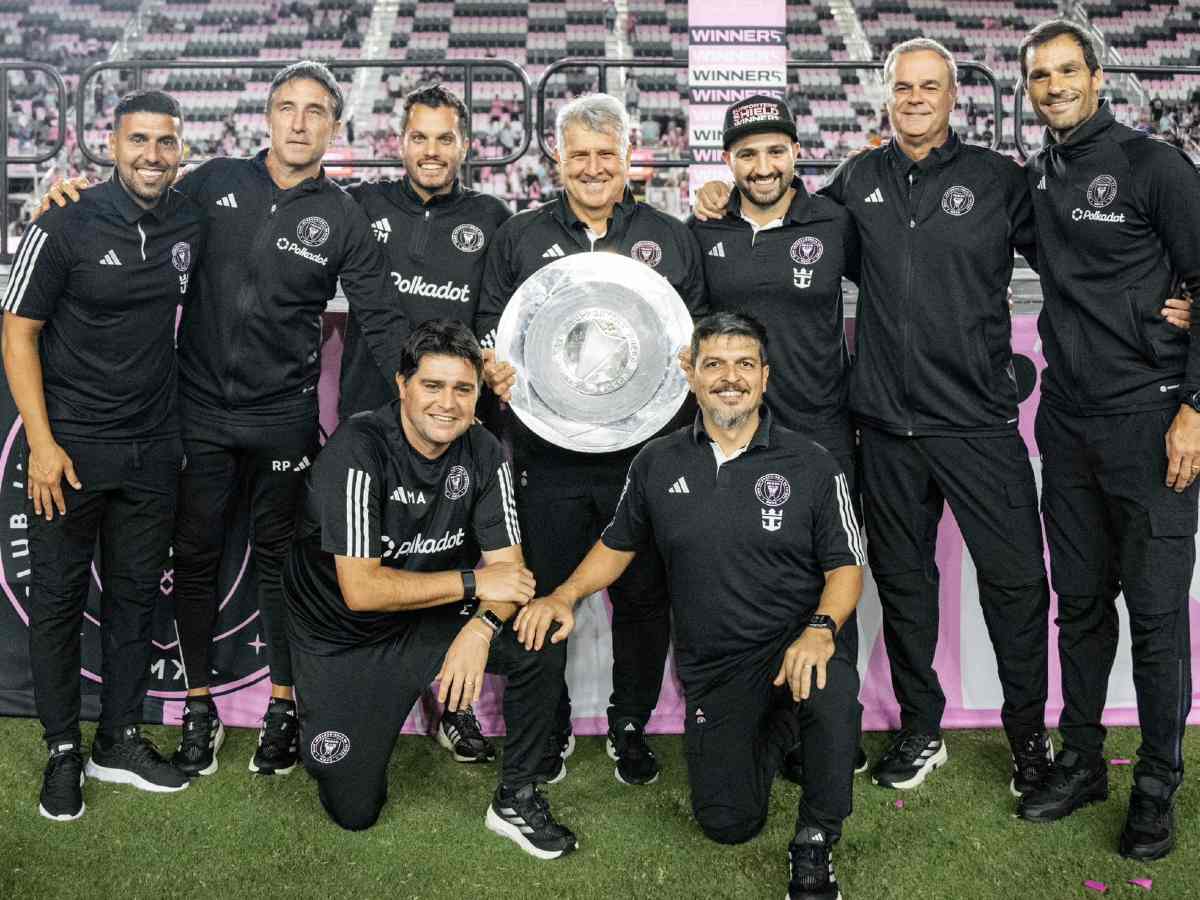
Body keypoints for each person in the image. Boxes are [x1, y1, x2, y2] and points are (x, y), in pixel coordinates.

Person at [696, 39, 1055, 799]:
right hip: (885, 427)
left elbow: (1075, 258)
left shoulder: (999, 181)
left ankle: (1031, 739)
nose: (916, 99)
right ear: (884, 97)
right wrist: (717, 200)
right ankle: (923, 729)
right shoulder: (856, 183)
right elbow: (789, 224)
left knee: (1018, 584)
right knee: (903, 583)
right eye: (903, 88)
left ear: (955, 96)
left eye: (930, 87)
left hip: (980, 424)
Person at [516, 312, 865, 900]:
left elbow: (846, 567)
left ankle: (815, 838)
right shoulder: (657, 462)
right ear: (693, 377)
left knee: (831, 691)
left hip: (797, 647)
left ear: (765, 377)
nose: (731, 377)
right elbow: (615, 544)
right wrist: (564, 595)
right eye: (715, 365)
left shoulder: (811, 463)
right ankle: (776, 727)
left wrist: (821, 630)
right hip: (716, 668)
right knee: (728, 824)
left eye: (744, 365)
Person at [475, 92, 707, 787]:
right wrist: (494, 363)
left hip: (646, 456)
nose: (594, 167)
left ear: (630, 155)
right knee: (541, 591)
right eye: (579, 154)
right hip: (546, 456)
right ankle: (544, 729)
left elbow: (696, 332)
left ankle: (629, 723)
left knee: (641, 598)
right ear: (557, 157)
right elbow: (492, 324)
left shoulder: (669, 235)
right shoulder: (519, 235)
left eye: (607, 154)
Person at [282, 319, 576, 859]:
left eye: (463, 389)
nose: (448, 403)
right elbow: (362, 591)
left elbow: (510, 574)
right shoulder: (358, 448)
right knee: (353, 811)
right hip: (345, 636)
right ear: (402, 385)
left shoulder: (485, 451)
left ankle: (517, 796)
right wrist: (473, 582)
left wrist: (482, 628)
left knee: (540, 632)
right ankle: (348, 714)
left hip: (434, 614)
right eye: (432, 386)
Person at [1015, 20, 1200, 862]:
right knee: (1081, 609)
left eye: (1065, 71)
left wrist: (1196, 407)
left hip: (1153, 421)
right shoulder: (1040, 177)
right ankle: (1082, 762)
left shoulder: (1152, 165)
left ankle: (1156, 789)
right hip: (1067, 420)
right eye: (1038, 75)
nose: (1052, 86)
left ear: (1096, 77)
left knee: (1157, 618)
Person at [2, 89, 204, 820]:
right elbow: (18, 331)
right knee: (56, 603)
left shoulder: (190, 214)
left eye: (166, 142)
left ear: (181, 150)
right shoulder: (64, 218)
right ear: (111, 146)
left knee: (134, 599)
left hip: (153, 449)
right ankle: (63, 749)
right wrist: (44, 444)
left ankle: (117, 738)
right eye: (139, 141)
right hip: (72, 450)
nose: (153, 155)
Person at [338, 83, 512, 763]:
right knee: (367, 562)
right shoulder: (362, 205)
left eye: (445, 138)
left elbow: (510, 311)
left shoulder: (495, 218)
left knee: (453, 561)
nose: (432, 150)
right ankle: (364, 697)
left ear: (464, 144)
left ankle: (454, 707)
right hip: (370, 422)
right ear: (399, 141)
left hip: (454, 425)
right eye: (420, 137)